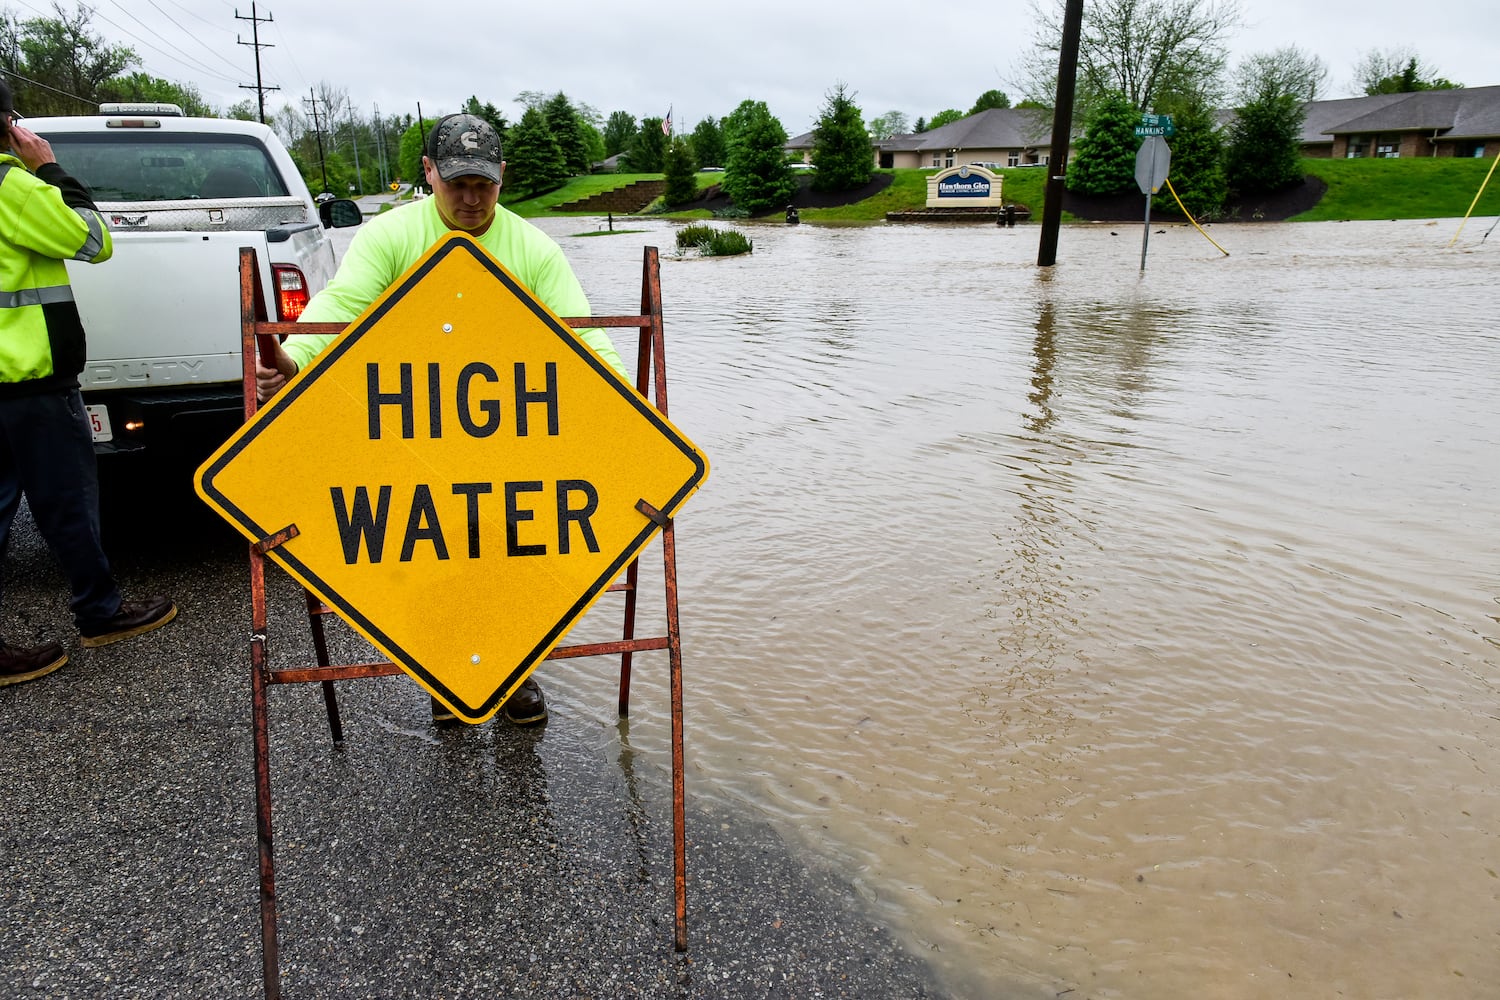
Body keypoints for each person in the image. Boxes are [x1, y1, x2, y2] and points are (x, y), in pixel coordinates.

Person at [257, 112, 626, 727]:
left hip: (505, 437)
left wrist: (619, 401)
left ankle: (512, 670)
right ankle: (447, 671)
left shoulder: (532, 248)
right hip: (410, 435)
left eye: (484, 184)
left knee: (509, 554)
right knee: (429, 554)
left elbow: (583, 337)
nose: (471, 198)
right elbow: (341, 307)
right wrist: (294, 360)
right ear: (428, 173)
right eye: (456, 183)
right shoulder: (391, 236)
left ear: (502, 177)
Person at [0, 81, 176, 687]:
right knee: (67, 502)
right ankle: (99, 613)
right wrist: (49, 167)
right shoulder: (13, 186)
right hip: (31, 381)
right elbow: (93, 240)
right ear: (9, 124)